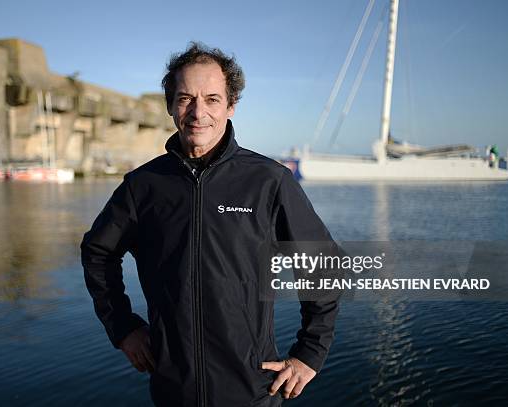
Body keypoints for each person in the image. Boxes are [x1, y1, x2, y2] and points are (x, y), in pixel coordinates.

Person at [81, 42, 341, 406]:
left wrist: (310, 353)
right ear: (170, 106)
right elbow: (97, 253)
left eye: (213, 99)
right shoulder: (143, 186)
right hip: (173, 390)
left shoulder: (269, 181)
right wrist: (123, 327)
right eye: (185, 98)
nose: (198, 112)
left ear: (231, 105)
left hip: (253, 391)